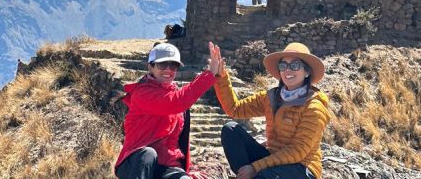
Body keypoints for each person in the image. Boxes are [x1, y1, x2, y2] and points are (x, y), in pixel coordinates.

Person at [213, 42, 330, 179]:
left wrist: (255, 167)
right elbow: (235, 109)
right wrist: (221, 76)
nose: (288, 70)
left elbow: (298, 151)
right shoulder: (270, 97)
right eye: (283, 65)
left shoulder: (314, 107)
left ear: (307, 72)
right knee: (231, 130)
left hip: (302, 166)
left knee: (264, 175)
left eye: (295, 65)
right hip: (272, 159)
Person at [114, 42, 221, 179]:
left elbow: (178, 141)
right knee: (148, 153)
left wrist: (187, 171)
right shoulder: (142, 93)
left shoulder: (176, 98)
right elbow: (175, 102)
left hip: (166, 166)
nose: (168, 70)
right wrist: (210, 74)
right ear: (150, 67)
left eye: (174, 65)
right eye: (162, 64)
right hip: (136, 164)